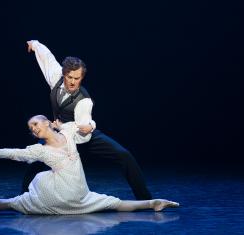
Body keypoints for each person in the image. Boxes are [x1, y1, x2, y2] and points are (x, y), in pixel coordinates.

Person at [0, 115, 178, 215]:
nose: (33, 128)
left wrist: (91, 126)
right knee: (112, 204)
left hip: (71, 194)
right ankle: (150, 203)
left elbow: (87, 123)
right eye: (30, 128)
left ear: (47, 122)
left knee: (11, 203)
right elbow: (14, 153)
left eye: (35, 123)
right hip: (72, 194)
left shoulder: (66, 130)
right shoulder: (42, 147)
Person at [22, 40, 152, 200]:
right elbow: (47, 59)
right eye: (69, 77)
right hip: (62, 137)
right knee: (36, 158)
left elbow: (85, 120)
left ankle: (146, 200)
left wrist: (90, 126)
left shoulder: (84, 99)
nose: (72, 82)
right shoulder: (56, 77)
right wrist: (35, 44)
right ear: (63, 74)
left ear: (82, 77)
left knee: (124, 155)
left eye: (77, 78)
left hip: (83, 137)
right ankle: (25, 199)